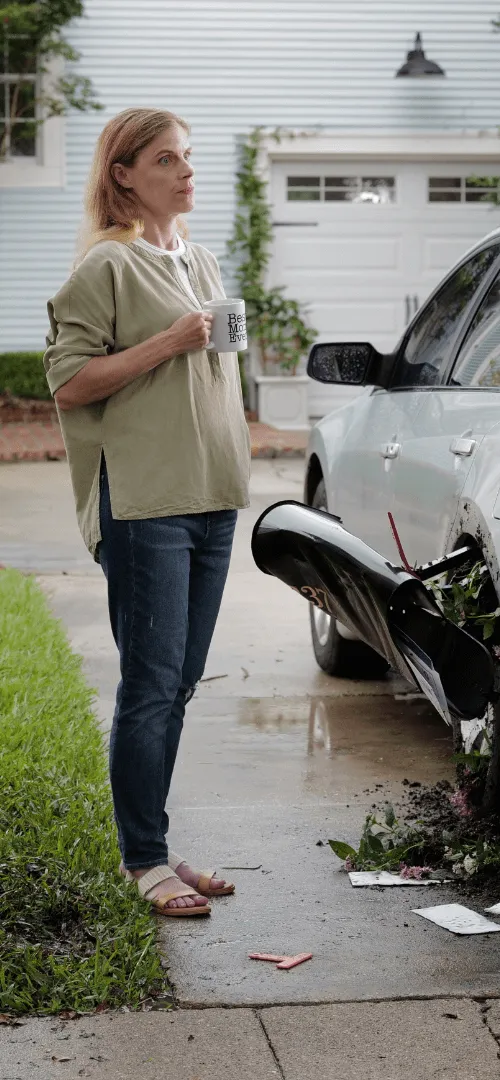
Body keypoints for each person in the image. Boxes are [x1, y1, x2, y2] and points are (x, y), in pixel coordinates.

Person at [44, 108, 251, 917]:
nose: (186, 171)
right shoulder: (107, 268)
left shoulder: (198, 259)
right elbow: (68, 384)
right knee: (152, 685)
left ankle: (154, 843)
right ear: (124, 174)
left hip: (213, 497)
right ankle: (145, 860)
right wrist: (168, 342)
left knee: (181, 682)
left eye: (188, 157)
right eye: (167, 159)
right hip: (145, 505)